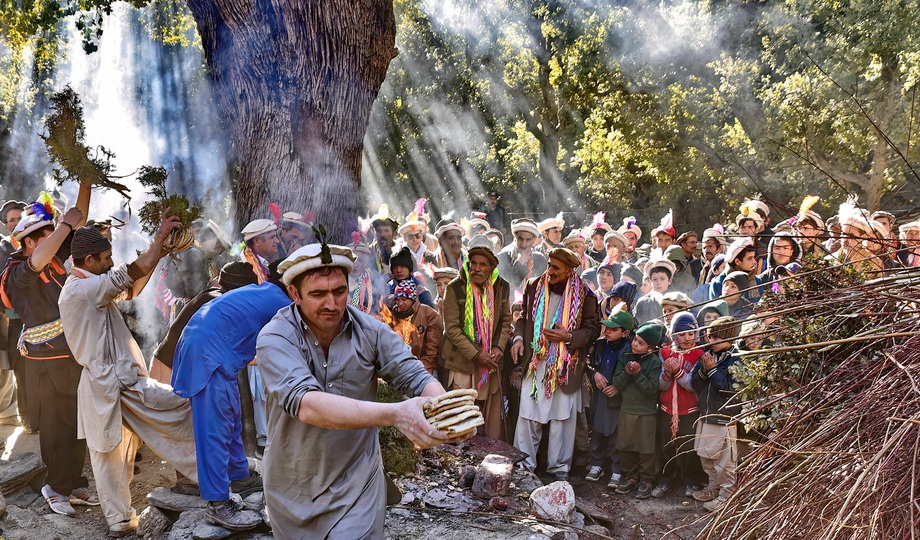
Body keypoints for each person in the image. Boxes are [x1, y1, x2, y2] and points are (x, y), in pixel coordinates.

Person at [256, 242, 455, 538]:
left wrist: (447, 411)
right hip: (291, 486)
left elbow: (414, 374)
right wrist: (396, 414)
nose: (332, 304)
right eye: (318, 294)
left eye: (339, 291)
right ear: (294, 294)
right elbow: (306, 404)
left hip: (357, 484)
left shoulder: (370, 331)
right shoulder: (275, 337)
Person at [59, 219, 200, 537]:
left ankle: (200, 476)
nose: (110, 262)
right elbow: (128, 275)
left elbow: (131, 288)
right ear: (90, 260)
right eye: (106, 257)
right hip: (112, 382)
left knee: (119, 449)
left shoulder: (91, 285)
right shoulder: (83, 288)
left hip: (115, 381)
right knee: (175, 412)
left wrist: (160, 253)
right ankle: (123, 519)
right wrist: (160, 238)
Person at [172, 266, 293, 531]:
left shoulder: (265, 292)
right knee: (214, 432)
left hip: (207, 347)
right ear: (292, 284)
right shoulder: (283, 303)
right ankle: (217, 505)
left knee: (230, 418)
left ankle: (240, 476)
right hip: (207, 353)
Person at [0, 189, 96, 517]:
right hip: (43, 362)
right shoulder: (15, 272)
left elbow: (77, 217)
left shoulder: (56, 256)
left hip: (74, 352)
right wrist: (65, 227)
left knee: (77, 421)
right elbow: (40, 258)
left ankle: (73, 481)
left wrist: (86, 181)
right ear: (29, 242)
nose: (56, 239)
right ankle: (54, 486)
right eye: (47, 235)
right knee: (56, 427)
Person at [511, 248, 600, 481]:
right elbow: (523, 320)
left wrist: (568, 337)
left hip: (565, 366)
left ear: (570, 270)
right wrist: (519, 339)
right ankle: (524, 467)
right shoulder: (533, 286)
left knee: (562, 418)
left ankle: (559, 470)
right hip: (535, 362)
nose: (550, 271)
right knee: (529, 415)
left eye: (556, 268)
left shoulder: (586, 295)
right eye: (549, 265)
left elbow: (592, 330)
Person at [440, 240, 512, 440]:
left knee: (490, 414)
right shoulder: (455, 288)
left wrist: (498, 347)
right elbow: (452, 329)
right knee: (461, 412)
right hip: (462, 360)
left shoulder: (502, 287)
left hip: (490, 359)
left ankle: (490, 457)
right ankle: (460, 458)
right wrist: (477, 353)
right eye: (474, 263)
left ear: (490, 268)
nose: (477, 268)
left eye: (483, 265)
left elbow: (506, 321)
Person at [691, 316, 744, 513]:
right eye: (709, 336)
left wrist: (712, 370)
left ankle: (727, 496)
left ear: (728, 338)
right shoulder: (706, 355)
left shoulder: (737, 358)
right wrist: (705, 371)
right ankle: (713, 488)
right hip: (706, 413)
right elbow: (695, 383)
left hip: (724, 417)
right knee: (706, 456)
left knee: (724, 462)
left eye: (715, 337)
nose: (710, 340)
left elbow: (731, 389)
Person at [653, 312, 707, 499]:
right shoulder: (665, 352)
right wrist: (667, 374)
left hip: (689, 411)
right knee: (666, 446)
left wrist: (676, 371)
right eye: (682, 334)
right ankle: (666, 479)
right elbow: (661, 385)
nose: (687, 338)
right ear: (674, 334)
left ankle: (690, 480)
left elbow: (693, 386)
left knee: (688, 446)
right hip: (667, 409)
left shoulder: (700, 354)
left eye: (691, 334)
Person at [611, 322, 666, 499]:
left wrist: (638, 374)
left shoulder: (655, 362)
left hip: (646, 412)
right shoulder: (625, 357)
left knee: (646, 448)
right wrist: (627, 372)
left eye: (641, 343)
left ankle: (647, 480)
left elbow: (652, 389)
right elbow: (617, 383)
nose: (635, 344)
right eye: (635, 339)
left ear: (650, 348)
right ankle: (631, 476)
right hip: (627, 408)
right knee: (625, 444)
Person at [585, 308, 634, 488]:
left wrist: (618, 388)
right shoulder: (600, 345)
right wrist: (595, 373)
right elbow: (589, 364)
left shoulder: (630, 349)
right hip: (601, 396)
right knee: (597, 430)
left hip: (619, 399)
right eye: (607, 328)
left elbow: (632, 374)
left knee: (616, 434)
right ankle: (597, 464)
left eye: (614, 329)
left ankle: (617, 469)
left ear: (625, 332)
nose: (608, 331)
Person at [0, 200, 26, 428]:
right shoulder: (2, 249)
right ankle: (15, 414)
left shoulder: (40, 244)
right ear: (5, 225)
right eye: (11, 220)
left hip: (38, 317)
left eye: (20, 217)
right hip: (10, 316)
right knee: (12, 365)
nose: (16, 223)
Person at [385, 279, 443, 376]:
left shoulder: (429, 314)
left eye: (404, 299)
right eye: (397, 299)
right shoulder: (391, 315)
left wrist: (426, 366)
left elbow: (433, 345)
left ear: (412, 299)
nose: (400, 303)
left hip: (423, 366)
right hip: (398, 366)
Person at [498, 218, 548, 294]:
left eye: (528, 240)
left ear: (534, 239)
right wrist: (520, 262)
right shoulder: (503, 257)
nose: (524, 244)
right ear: (515, 237)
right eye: (520, 239)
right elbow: (506, 288)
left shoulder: (540, 259)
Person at [240, 218, 279, 283]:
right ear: (257, 241)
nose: (277, 241)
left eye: (276, 236)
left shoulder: (268, 261)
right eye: (272, 237)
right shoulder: (245, 268)